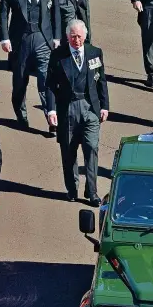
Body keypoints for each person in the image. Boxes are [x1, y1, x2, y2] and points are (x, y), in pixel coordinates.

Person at [46, 19, 109, 205]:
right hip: (68, 109)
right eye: (73, 37)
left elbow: (101, 81)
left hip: (90, 109)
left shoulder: (94, 53)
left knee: (91, 149)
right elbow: (49, 85)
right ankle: (72, 189)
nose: (76, 40)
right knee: (68, 151)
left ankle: (92, 191)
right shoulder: (58, 56)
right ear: (67, 37)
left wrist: (104, 106)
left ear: (85, 36)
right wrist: (51, 110)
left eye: (79, 36)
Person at [0, 0, 61, 133]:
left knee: (46, 79)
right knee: (20, 80)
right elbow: (3, 13)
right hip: (21, 40)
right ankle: (21, 114)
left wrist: (56, 37)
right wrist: (4, 37)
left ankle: (52, 117)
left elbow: (55, 12)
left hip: (43, 39)